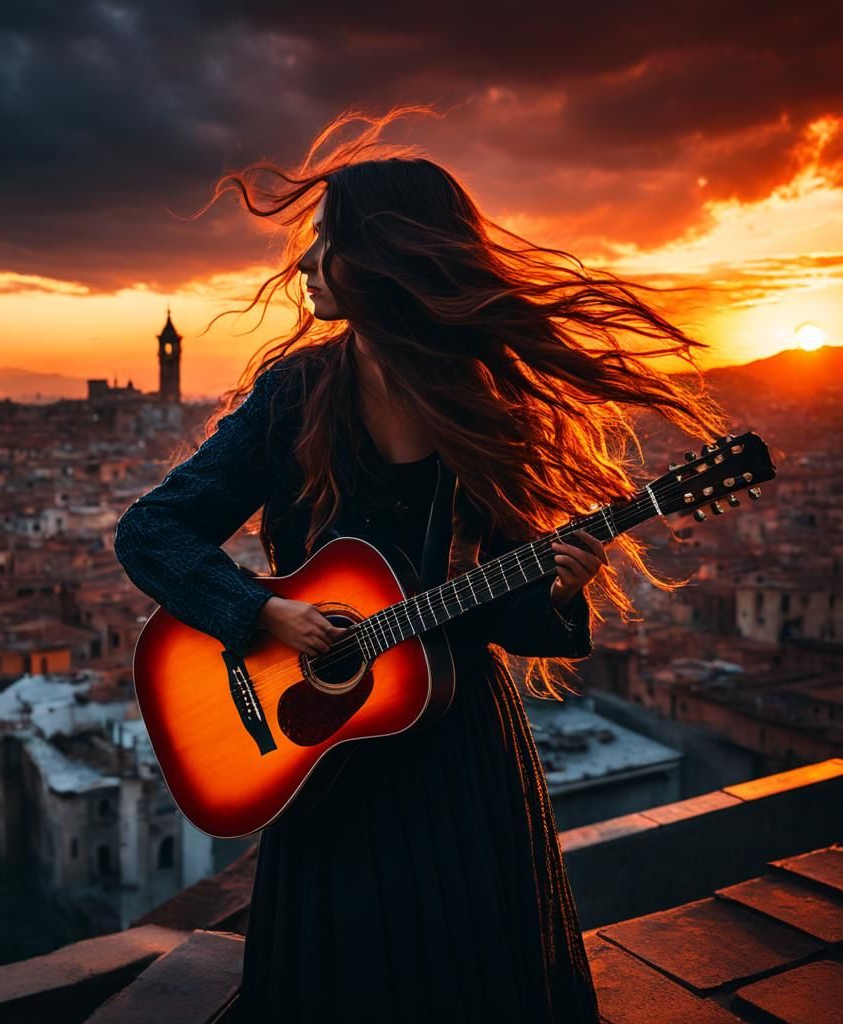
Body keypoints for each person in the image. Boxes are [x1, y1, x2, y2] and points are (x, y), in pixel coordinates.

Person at [113, 107, 729, 1023]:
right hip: (326, 764)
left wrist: (560, 591)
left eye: (328, 244)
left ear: (387, 260)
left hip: (456, 762)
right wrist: (263, 615)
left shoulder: (480, 412)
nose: (307, 265)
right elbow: (152, 531)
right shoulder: (293, 396)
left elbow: (495, 620)